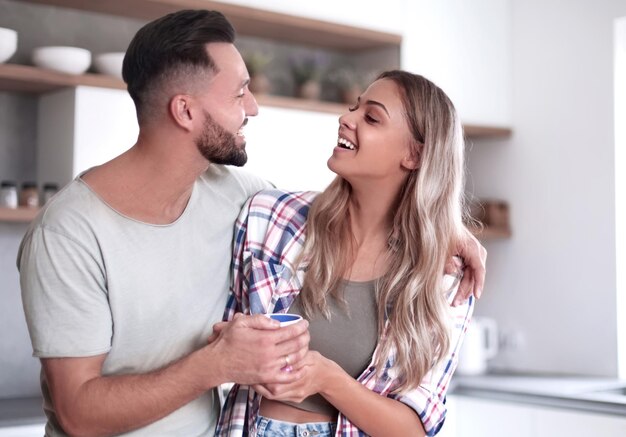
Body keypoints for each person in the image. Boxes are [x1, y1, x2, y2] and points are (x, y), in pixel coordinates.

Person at [16, 10, 311, 436]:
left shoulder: (240, 196)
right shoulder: (67, 233)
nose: (253, 108)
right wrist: (218, 364)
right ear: (185, 111)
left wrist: (435, 235)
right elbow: (78, 413)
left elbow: (343, 221)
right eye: (239, 94)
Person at [216, 70, 476, 437]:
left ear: (414, 155)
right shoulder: (270, 217)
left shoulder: (446, 278)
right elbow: (217, 340)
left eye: (371, 117)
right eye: (354, 108)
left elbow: (415, 429)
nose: (345, 118)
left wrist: (327, 379)